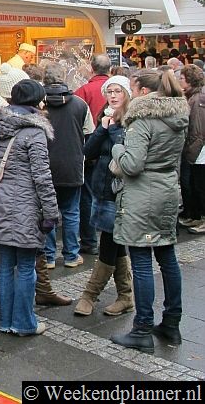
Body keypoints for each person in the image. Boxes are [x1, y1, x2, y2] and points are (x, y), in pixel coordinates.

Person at [0, 63, 70, 307]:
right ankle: (1, 295)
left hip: (16, 189)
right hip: (1, 187)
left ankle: (42, 289)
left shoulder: (17, 117)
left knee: (28, 243)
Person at [110, 69, 188, 353]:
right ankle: (172, 322)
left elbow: (132, 164)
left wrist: (117, 149)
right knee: (168, 257)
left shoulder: (142, 120)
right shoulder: (178, 115)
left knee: (141, 261)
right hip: (167, 188)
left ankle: (142, 328)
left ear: (142, 90)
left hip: (143, 194)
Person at [0, 79, 60, 336]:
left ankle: (6, 321)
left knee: (6, 264)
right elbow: (42, 176)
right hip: (26, 206)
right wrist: (51, 213)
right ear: (36, 101)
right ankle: (24, 323)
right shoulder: (35, 131)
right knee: (27, 266)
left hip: (4, 201)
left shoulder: (1, 126)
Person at [75, 75, 134, 317]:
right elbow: (88, 151)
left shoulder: (132, 122)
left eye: (118, 91)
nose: (112, 95)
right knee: (115, 241)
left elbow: (126, 155)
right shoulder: (106, 118)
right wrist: (103, 128)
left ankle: (90, 294)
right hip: (101, 189)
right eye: (109, 91)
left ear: (127, 94)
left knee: (109, 242)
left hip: (119, 191)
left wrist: (112, 130)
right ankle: (125, 295)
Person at [42, 64, 93, 269]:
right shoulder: (80, 104)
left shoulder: (39, 105)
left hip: (45, 165)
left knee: (48, 211)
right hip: (73, 164)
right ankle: (71, 255)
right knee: (71, 212)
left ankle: (48, 256)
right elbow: (89, 134)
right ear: (64, 78)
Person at [74, 54, 112, 257]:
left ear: (92, 68)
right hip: (111, 148)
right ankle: (106, 230)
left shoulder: (83, 91)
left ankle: (89, 239)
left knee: (87, 194)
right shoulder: (118, 89)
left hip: (90, 148)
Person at [179, 64, 205, 233]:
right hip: (196, 150)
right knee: (195, 184)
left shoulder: (197, 100)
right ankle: (196, 216)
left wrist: (190, 152)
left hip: (199, 151)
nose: (179, 80)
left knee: (200, 185)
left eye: (181, 78)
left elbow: (198, 130)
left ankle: (202, 217)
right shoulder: (193, 97)